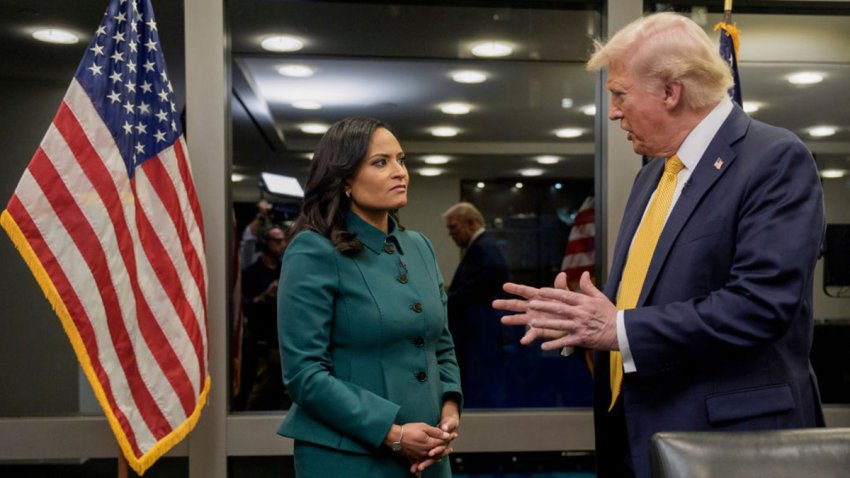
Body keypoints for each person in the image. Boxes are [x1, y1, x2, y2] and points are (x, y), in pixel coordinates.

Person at [493, 12, 825, 478]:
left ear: (672, 91)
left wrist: (618, 329)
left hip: (726, 444)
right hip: (636, 432)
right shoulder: (653, 173)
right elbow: (643, 300)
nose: (612, 111)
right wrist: (579, 320)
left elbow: (760, 305)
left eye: (619, 94)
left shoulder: (774, 160)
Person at [277, 117, 462, 477]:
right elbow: (304, 374)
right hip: (349, 458)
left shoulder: (420, 246)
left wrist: (450, 410)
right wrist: (393, 434)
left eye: (401, 160)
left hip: (429, 454)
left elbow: (441, 344)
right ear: (344, 179)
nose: (400, 172)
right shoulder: (313, 250)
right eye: (381, 162)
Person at [442, 202, 512, 407]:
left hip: (480, 335)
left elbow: (472, 291)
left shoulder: (484, 249)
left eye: (453, 227)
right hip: (479, 334)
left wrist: (444, 299)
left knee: (482, 390)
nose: (450, 233)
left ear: (470, 224)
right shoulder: (483, 247)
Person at [239, 224, 290, 410]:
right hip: (262, 343)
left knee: (286, 396)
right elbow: (242, 305)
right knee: (258, 393)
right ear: (265, 243)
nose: (282, 245)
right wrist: (264, 295)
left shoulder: (286, 270)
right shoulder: (252, 272)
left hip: (285, 341)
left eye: (283, 240)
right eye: (277, 241)